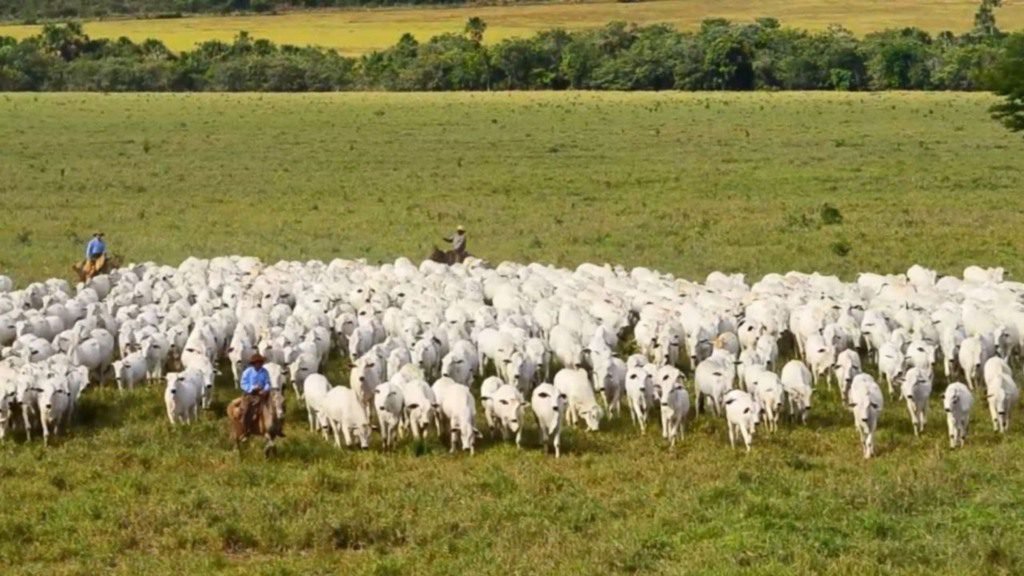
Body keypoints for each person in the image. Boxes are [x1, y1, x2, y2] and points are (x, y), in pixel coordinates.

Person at [238, 353, 271, 437]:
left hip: (263, 393)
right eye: (257, 363)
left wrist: (265, 390)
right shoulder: (247, 372)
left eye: (260, 362)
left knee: (277, 405)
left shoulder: (265, 371)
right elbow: (243, 383)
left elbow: (267, 382)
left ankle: (277, 427)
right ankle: (245, 429)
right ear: (253, 364)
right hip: (250, 394)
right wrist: (252, 388)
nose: (259, 364)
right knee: (246, 410)